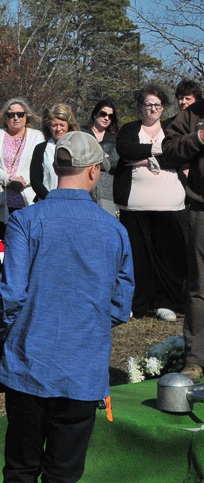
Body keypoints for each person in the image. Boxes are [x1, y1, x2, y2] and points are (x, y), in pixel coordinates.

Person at [0, 131, 134, 483]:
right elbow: (121, 305)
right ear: (94, 171)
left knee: (20, 471)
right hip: (81, 370)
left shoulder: (26, 220)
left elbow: (11, 293)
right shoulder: (114, 230)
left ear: (55, 167)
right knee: (62, 481)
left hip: (28, 364)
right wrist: (87, 325)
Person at [113, 84, 186, 322]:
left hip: (170, 204)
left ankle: (166, 303)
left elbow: (179, 154)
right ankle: (138, 303)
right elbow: (125, 149)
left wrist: (146, 158)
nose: (153, 109)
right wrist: (159, 150)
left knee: (168, 257)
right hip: (134, 205)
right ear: (141, 106)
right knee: (138, 257)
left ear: (163, 107)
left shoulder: (172, 128)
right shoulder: (130, 129)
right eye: (148, 104)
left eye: (157, 105)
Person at [162, 92, 204, 381]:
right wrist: (198, 138)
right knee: (199, 288)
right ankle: (195, 359)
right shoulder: (192, 114)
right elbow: (169, 149)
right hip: (201, 209)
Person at [0, 98, 43, 238]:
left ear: (26, 116)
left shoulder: (37, 137)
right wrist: (9, 180)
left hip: (27, 200)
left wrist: (22, 180)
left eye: (20, 114)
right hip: (0, 201)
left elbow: (40, 164)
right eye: (11, 114)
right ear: (5, 117)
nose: (16, 118)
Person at [30, 103, 79, 200]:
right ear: (49, 126)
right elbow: (35, 180)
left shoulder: (77, 147)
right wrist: (50, 197)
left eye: (62, 125)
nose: (58, 129)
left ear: (68, 125)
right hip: (46, 201)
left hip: (71, 200)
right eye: (54, 125)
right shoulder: (40, 149)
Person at [81, 99, 120, 215]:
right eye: (103, 114)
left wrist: (92, 156)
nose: (106, 118)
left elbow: (114, 162)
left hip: (108, 192)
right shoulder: (82, 134)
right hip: (84, 188)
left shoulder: (116, 137)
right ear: (95, 114)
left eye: (110, 116)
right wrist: (104, 156)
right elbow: (80, 158)